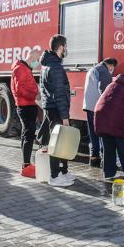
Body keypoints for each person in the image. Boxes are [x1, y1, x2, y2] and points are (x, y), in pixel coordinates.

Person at [39, 34, 75, 187]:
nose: (66, 49)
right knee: (57, 143)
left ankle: (63, 172)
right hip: (56, 109)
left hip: (50, 107)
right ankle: (55, 176)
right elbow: (59, 93)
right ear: (60, 47)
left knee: (58, 141)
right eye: (65, 46)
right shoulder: (56, 67)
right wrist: (65, 117)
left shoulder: (47, 64)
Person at [93, 74, 124, 179]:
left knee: (108, 147)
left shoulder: (113, 84)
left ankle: (108, 174)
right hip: (116, 117)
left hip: (100, 114)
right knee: (123, 147)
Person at [11, 49, 41, 178]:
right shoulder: (21, 69)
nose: (38, 63)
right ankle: (26, 166)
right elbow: (20, 89)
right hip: (26, 105)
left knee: (26, 134)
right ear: (32, 57)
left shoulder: (24, 68)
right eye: (37, 60)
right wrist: (35, 95)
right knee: (28, 135)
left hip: (27, 105)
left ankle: (26, 164)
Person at [82, 58, 118, 168]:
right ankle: (105, 160)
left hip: (88, 105)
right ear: (111, 65)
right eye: (113, 68)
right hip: (97, 106)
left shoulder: (93, 69)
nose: (112, 70)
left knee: (93, 133)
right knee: (103, 132)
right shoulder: (104, 71)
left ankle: (94, 158)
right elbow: (105, 90)